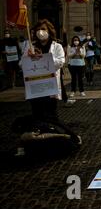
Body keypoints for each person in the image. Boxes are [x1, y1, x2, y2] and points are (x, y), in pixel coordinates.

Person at [16, 19, 81, 156]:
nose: (41, 32)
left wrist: (43, 58)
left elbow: (61, 62)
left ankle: (68, 138)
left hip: (50, 87)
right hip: (35, 87)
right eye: (39, 29)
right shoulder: (30, 46)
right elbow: (21, 64)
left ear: (49, 31)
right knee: (37, 116)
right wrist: (29, 57)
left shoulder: (56, 46)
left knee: (52, 116)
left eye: (44, 29)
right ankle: (34, 145)